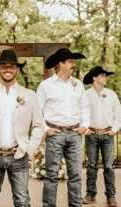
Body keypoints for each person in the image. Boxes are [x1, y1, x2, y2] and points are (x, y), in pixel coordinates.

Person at [0, 49, 45, 207]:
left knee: (22, 201)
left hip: (18, 155)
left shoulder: (29, 95)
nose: (8, 69)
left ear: (17, 69)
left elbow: (38, 125)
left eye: (12, 66)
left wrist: (29, 147)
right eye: (4, 66)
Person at [36, 48, 90, 207]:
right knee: (51, 175)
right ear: (60, 64)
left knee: (76, 175)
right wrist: (46, 129)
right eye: (71, 61)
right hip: (55, 134)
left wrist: (85, 125)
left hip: (74, 134)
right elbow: (37, 111)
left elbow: (85, 107)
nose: (73, 64)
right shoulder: (46, 85)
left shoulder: (77, 84)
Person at [82, 66, 121, 207]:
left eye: (105, 75)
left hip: (108, 135)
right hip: (91, 135)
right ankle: (90, 195)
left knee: (109, 167)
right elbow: (81, 113)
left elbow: (118, 113)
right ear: (94, 78)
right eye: (103, 75)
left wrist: (114, 129)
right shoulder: (85, 95)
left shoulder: (111, 94)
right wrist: (85, 129)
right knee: (91, 166)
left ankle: (111, 196)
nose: (105, 78)